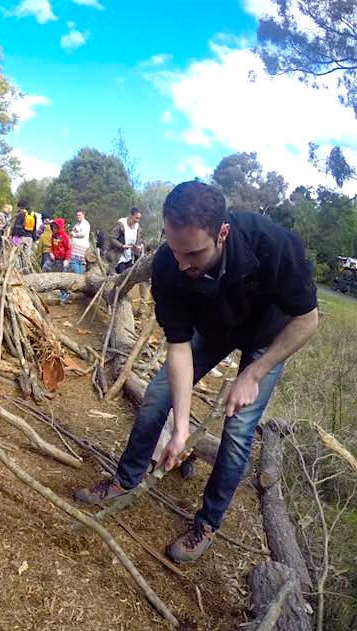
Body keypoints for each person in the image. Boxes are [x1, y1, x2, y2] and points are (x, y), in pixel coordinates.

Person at [74, 181, 319, 563]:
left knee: (238, 430)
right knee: (158, 395)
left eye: (193, 253)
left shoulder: (272, 245)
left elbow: (307, 320)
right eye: (174, 250)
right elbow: (179, 347)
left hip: (268, 337)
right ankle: (125, 479)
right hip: (213, 329)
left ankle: (207, 523)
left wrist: (252, 374)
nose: (182, 263)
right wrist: (183, 427)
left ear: (222, 232)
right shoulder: (169, 265)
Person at [106, 206, 143, 273]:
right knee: (120, 277)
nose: (137, 220)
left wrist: (137, 247)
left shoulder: (138, 228)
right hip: (118, 258)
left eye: (139, 218)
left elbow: (139, 241)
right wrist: (122, 246)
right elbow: (112, 238)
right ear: (131, 215)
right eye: (136, 218)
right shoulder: (121, 225)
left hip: (130, 258)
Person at [50, 218, 72, 303]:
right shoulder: (53, 236)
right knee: (57, 276)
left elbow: (68, 249)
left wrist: (66, 259)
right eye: (53, 227)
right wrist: (51, 253)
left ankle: (65, 294)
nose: (54, 229)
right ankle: (62, 292)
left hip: (63, 260)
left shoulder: (64, 237)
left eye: (56, 228)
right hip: (56, 259)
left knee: (62, 277)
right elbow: (51, 246)